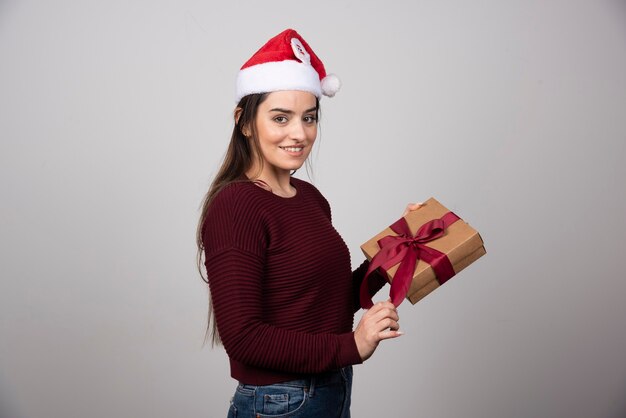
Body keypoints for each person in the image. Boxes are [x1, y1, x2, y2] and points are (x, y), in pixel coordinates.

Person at [197, 28, 420, 418]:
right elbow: (244, 337)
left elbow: (323, 302)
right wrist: (353, 345)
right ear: (244, 122)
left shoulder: (311, 199)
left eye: (309, 118)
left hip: (328, 389)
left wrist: (399, 245)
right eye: (280, 118)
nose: (299, 134)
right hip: (281, 400)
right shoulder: (236, 205)